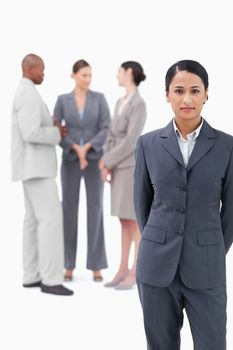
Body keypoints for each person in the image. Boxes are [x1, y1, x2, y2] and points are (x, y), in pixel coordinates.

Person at [134, 59, 233, 349]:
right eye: (178, 90)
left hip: (206, 267)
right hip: (155, 266)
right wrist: (159, 240)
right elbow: (143, 206)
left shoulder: (227, 146)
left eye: (194, 90)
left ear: (206, 94)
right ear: (167, 94)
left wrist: (210, 246)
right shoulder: (148, 144)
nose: (187, 99)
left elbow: (231, 212)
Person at [11, 54, 73, 296]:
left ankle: (31, 275)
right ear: (29, 68)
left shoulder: (25, 91)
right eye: (41, 70)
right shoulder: (27, 93)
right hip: (37, 168)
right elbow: (31, 132)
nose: (44, 73)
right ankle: (51, 279)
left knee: (32, 221)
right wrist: (57, 132)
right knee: (50, 220)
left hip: (30, 168)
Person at [53, 59, 110, 282]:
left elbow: (106, 127)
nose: (88, 79)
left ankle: (96, 265)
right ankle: (68, 264)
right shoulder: (62, 100)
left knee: (95, 209)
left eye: (90, 75)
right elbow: (56, 127)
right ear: (73, 75)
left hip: (94, 160)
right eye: (84, 75)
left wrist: (86, 148)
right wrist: (75, 148)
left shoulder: (100, 99)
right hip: (69, 160)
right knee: (69, 210)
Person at [99, 61, 147, 290]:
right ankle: (122, 267)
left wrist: (108, 160)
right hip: (116, 166)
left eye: (119, 70)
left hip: (128, 166)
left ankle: (136, 270)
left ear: (129, 73)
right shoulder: (120, 101)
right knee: (122, 219)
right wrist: (106, 162)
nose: (117, 74)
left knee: (133, 220)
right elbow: (110, 134)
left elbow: (130, 141)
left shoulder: (139, 104)